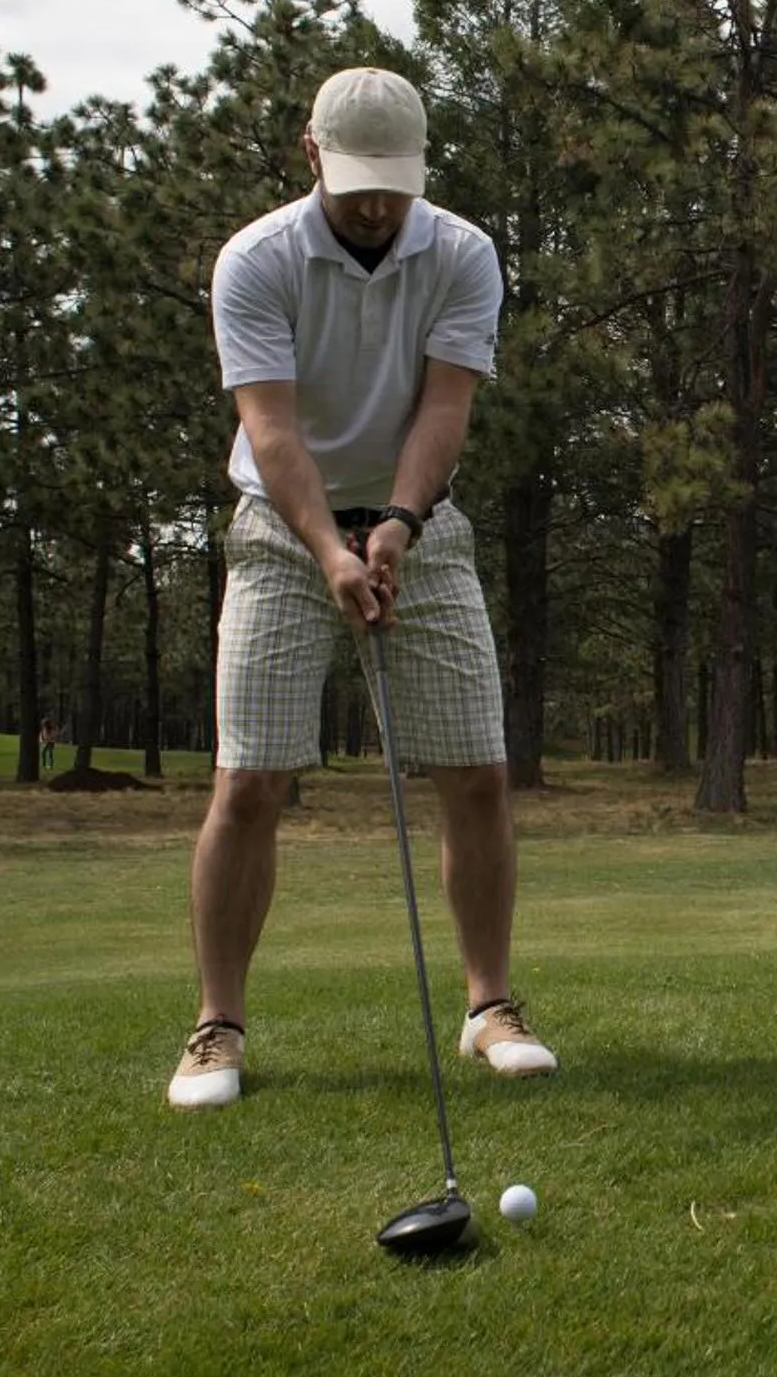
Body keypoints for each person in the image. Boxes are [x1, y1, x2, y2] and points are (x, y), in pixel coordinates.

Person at [168, 65, 554, 1110]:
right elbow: (272, 427)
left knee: (476, 769)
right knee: (249, 779)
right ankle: (217, 1026)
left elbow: (442, 409)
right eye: (356, 184)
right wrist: (329, 550)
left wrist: (398, 524)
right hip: (279, 525)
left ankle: (489, 1007)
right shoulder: (256, 259)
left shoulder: (463, 253)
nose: (377, 206)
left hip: (416, 520)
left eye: (394, 183)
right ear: (310, 156)